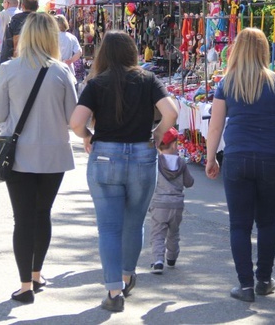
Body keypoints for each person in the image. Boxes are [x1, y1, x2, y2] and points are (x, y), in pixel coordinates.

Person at [69, 31, 178, 313]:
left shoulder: (96, 83)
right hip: (142, 155)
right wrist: (158, 133)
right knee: (134, 223)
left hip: (105, 155)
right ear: (132, 52)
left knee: (108, 227)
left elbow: (76, 122)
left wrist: (88, 135)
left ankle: (114, 290)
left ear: (104, 53)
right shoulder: (148, 79)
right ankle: (128, 275)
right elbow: (171, 112)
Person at [205, 27, 275, 303]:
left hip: (237, 159)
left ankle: (245, 285)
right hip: (271, 158)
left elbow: (215, 127)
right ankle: (264, 280)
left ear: (236, 50)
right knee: (267, 221)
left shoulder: (226, 83)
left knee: (239, 224)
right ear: (263, 50)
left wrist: (211, 159)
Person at [0, 12, 77, 304]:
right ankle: (38, 273)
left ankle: (25, 284)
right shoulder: (62, 72)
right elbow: (72, 117)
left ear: (25, 36)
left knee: (23, 219)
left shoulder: (9, 69)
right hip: (54, 155)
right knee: (43, 214)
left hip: (19, 156)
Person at [148, 127, 193, 274]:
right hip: (176, 206)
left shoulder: (155, 162)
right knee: (173, 233)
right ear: (174, 145)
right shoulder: (181, 163)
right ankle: (172, 258)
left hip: (159, 204)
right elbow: (189, 182)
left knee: (158, 233)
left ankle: (158, 261)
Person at [0, 0, 39, 65]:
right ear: (38, 7)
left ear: (22, 6)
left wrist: (4, 66)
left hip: (18, 63)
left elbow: (7, 48)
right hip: (40, 63)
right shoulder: (43, 23)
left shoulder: (14, 22)